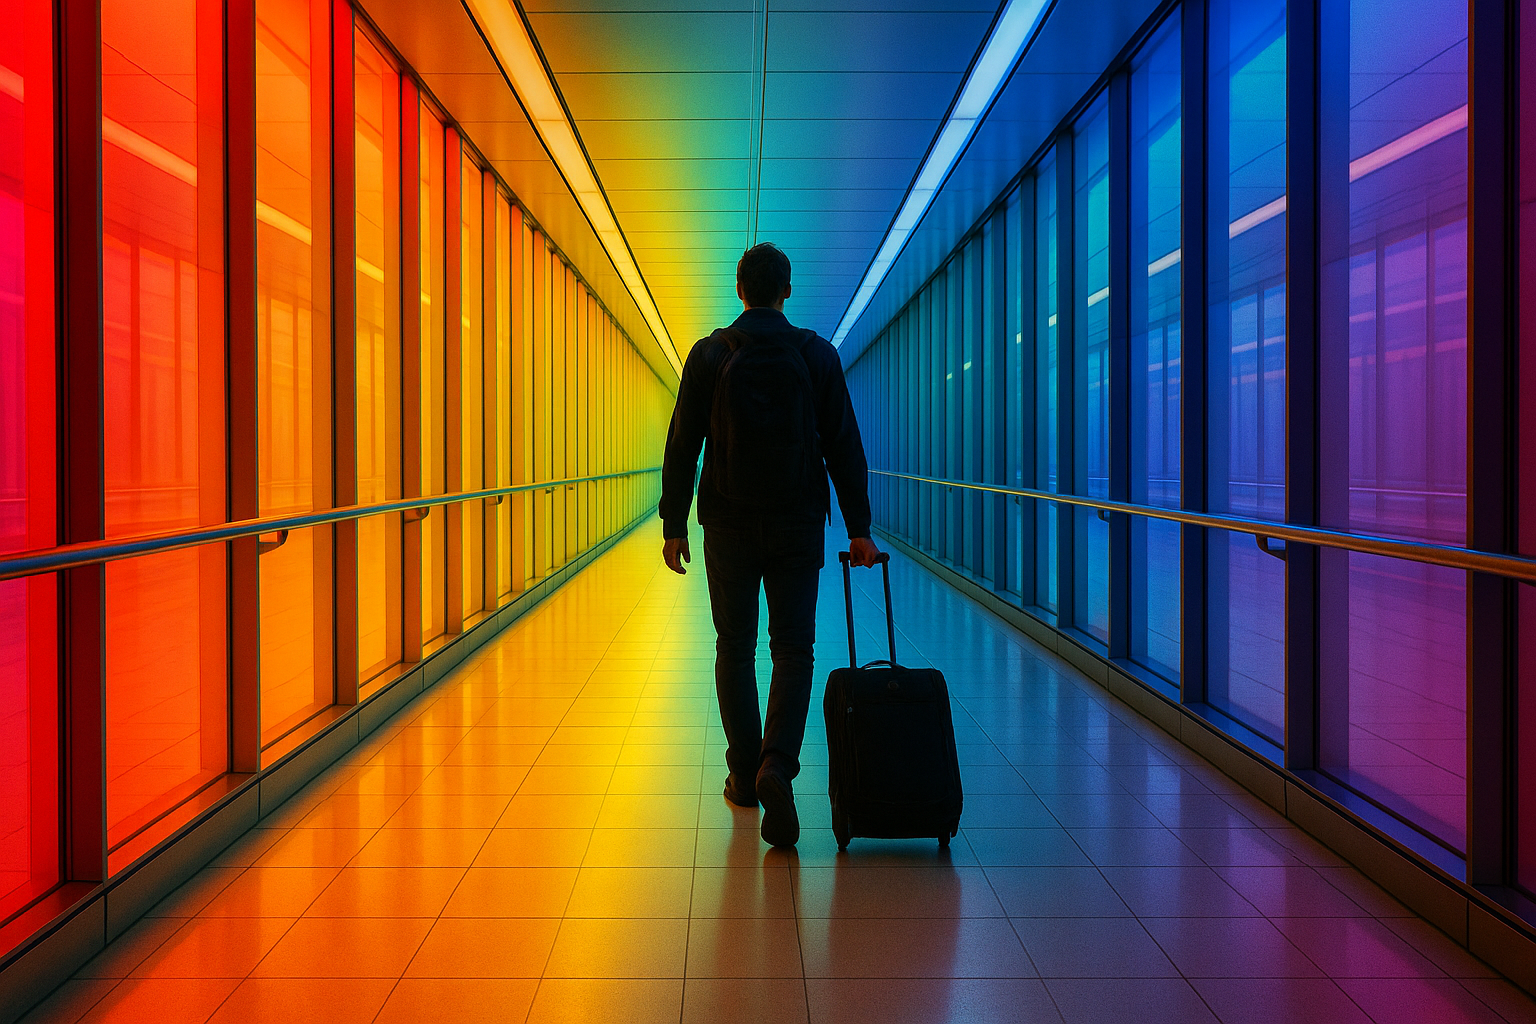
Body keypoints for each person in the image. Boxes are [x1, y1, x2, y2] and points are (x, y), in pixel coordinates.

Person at [658, 242, 880, 848]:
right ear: (787, 289)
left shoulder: (709, 355)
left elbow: (683, 444)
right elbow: (844, 444)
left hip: (726, 524)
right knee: (794, 649)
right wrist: (859, 528)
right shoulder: (815, 356)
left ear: (739, 292)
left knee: (734, 645)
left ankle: (743, 772)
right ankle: (777, 765)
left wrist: (673, 522)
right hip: (796, 524)